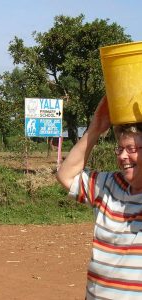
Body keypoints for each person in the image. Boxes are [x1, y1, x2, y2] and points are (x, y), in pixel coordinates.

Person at [56, 95, 142, 300]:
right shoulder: (108, 185)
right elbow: (65, 175)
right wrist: (95, 128)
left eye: (131, 149)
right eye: (120, 149)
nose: (122, 156)